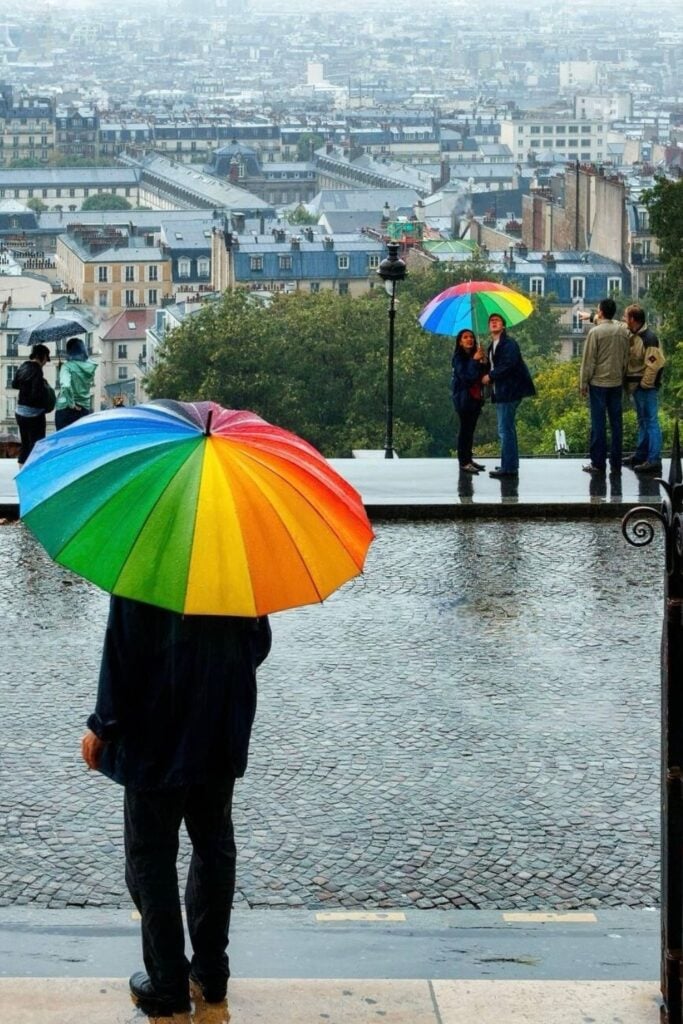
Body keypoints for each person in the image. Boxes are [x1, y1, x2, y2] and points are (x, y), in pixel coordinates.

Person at [81, 596, 272, 1021]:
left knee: (150, 858)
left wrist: (102, 726)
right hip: (219, 726)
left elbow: (124, 649)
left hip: (156, 735)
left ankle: (167, 983)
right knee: (214, 845)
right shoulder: (236, 560)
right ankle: (210, 972)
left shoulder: (146, 559)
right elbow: (257, 643)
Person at [579, 297, 630, 475]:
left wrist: (583, 382)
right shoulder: (623, 331)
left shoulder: (596, 333)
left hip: (598, 384)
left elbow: (589, 361)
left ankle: (598, 463)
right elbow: (626, 358)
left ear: (600, 312)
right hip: (616, 383)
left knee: (598, 424)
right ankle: (616, 462)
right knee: (617, 424)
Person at [481, 313, 535, 479]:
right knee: (507, 429)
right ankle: (509, 463)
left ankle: (508, 468)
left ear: (503, 326)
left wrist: (490, 376)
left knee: (505, 430)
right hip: (501, 392)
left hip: (509, 392)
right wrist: (483, 360)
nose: (494, 323)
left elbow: (508, 365)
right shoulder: (493, 346)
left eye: (497, 321)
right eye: (491, 321)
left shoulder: (509, 344)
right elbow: (494, 364)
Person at [623, 304, 665, 474]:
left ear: (633, 319)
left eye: (626, 317)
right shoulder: (637, 334)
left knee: (651, 421)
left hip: (645, 387)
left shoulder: (648, 338)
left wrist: (645, 384)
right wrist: (592, 317)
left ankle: (653, 459)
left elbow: (655, 364)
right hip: (638, 387)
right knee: (643, 421)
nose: (624, 320)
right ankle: (641, 455)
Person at [451, 328, 488, 473]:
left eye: (471, 337)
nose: (469, 340)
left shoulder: (475, 356)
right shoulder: (458, 359)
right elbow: (467, 377)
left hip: (475, 398)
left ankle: (469, 458)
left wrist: (484, 362)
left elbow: (481, 375)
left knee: (471, 430)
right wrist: (474, 361)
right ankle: (463, 461)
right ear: (460, 342)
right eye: (465, 337)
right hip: (463, 398)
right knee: (465, 430)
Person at [12, 343, 53, 465]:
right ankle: (33, 474)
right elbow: (36, 395)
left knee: (25, 444)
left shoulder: (23, 366)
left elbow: (14, 384)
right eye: (46, 359)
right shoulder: (37, 370)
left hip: (20, 412)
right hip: (34, 415)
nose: (46, 362)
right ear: (43, 356)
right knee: (37, 445)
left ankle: (22, 470)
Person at [54, 336, 96, 431]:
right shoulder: (89, 366)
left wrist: (71, 403)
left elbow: (66, 386)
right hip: (84, 409)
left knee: (64, 441)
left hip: (66, 409)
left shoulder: (67, 367)